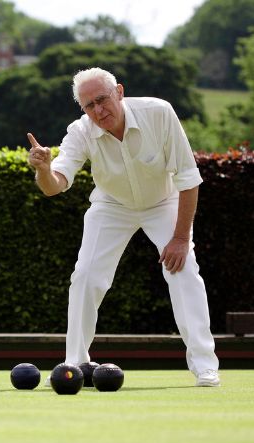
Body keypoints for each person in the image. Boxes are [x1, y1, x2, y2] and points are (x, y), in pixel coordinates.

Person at [26, 67, 220, 387]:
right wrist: (44, 169)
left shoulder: (159, 112)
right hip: (111, 206)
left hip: (163, 202)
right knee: (86, 275)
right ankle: (74, 364)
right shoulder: (80, 131)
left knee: (183, 270)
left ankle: (204, 365)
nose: (98, 111)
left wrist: (181, 238)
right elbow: (54, 185)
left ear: (119, 91)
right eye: (89, 106)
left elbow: (188, 179)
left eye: (102, 100)